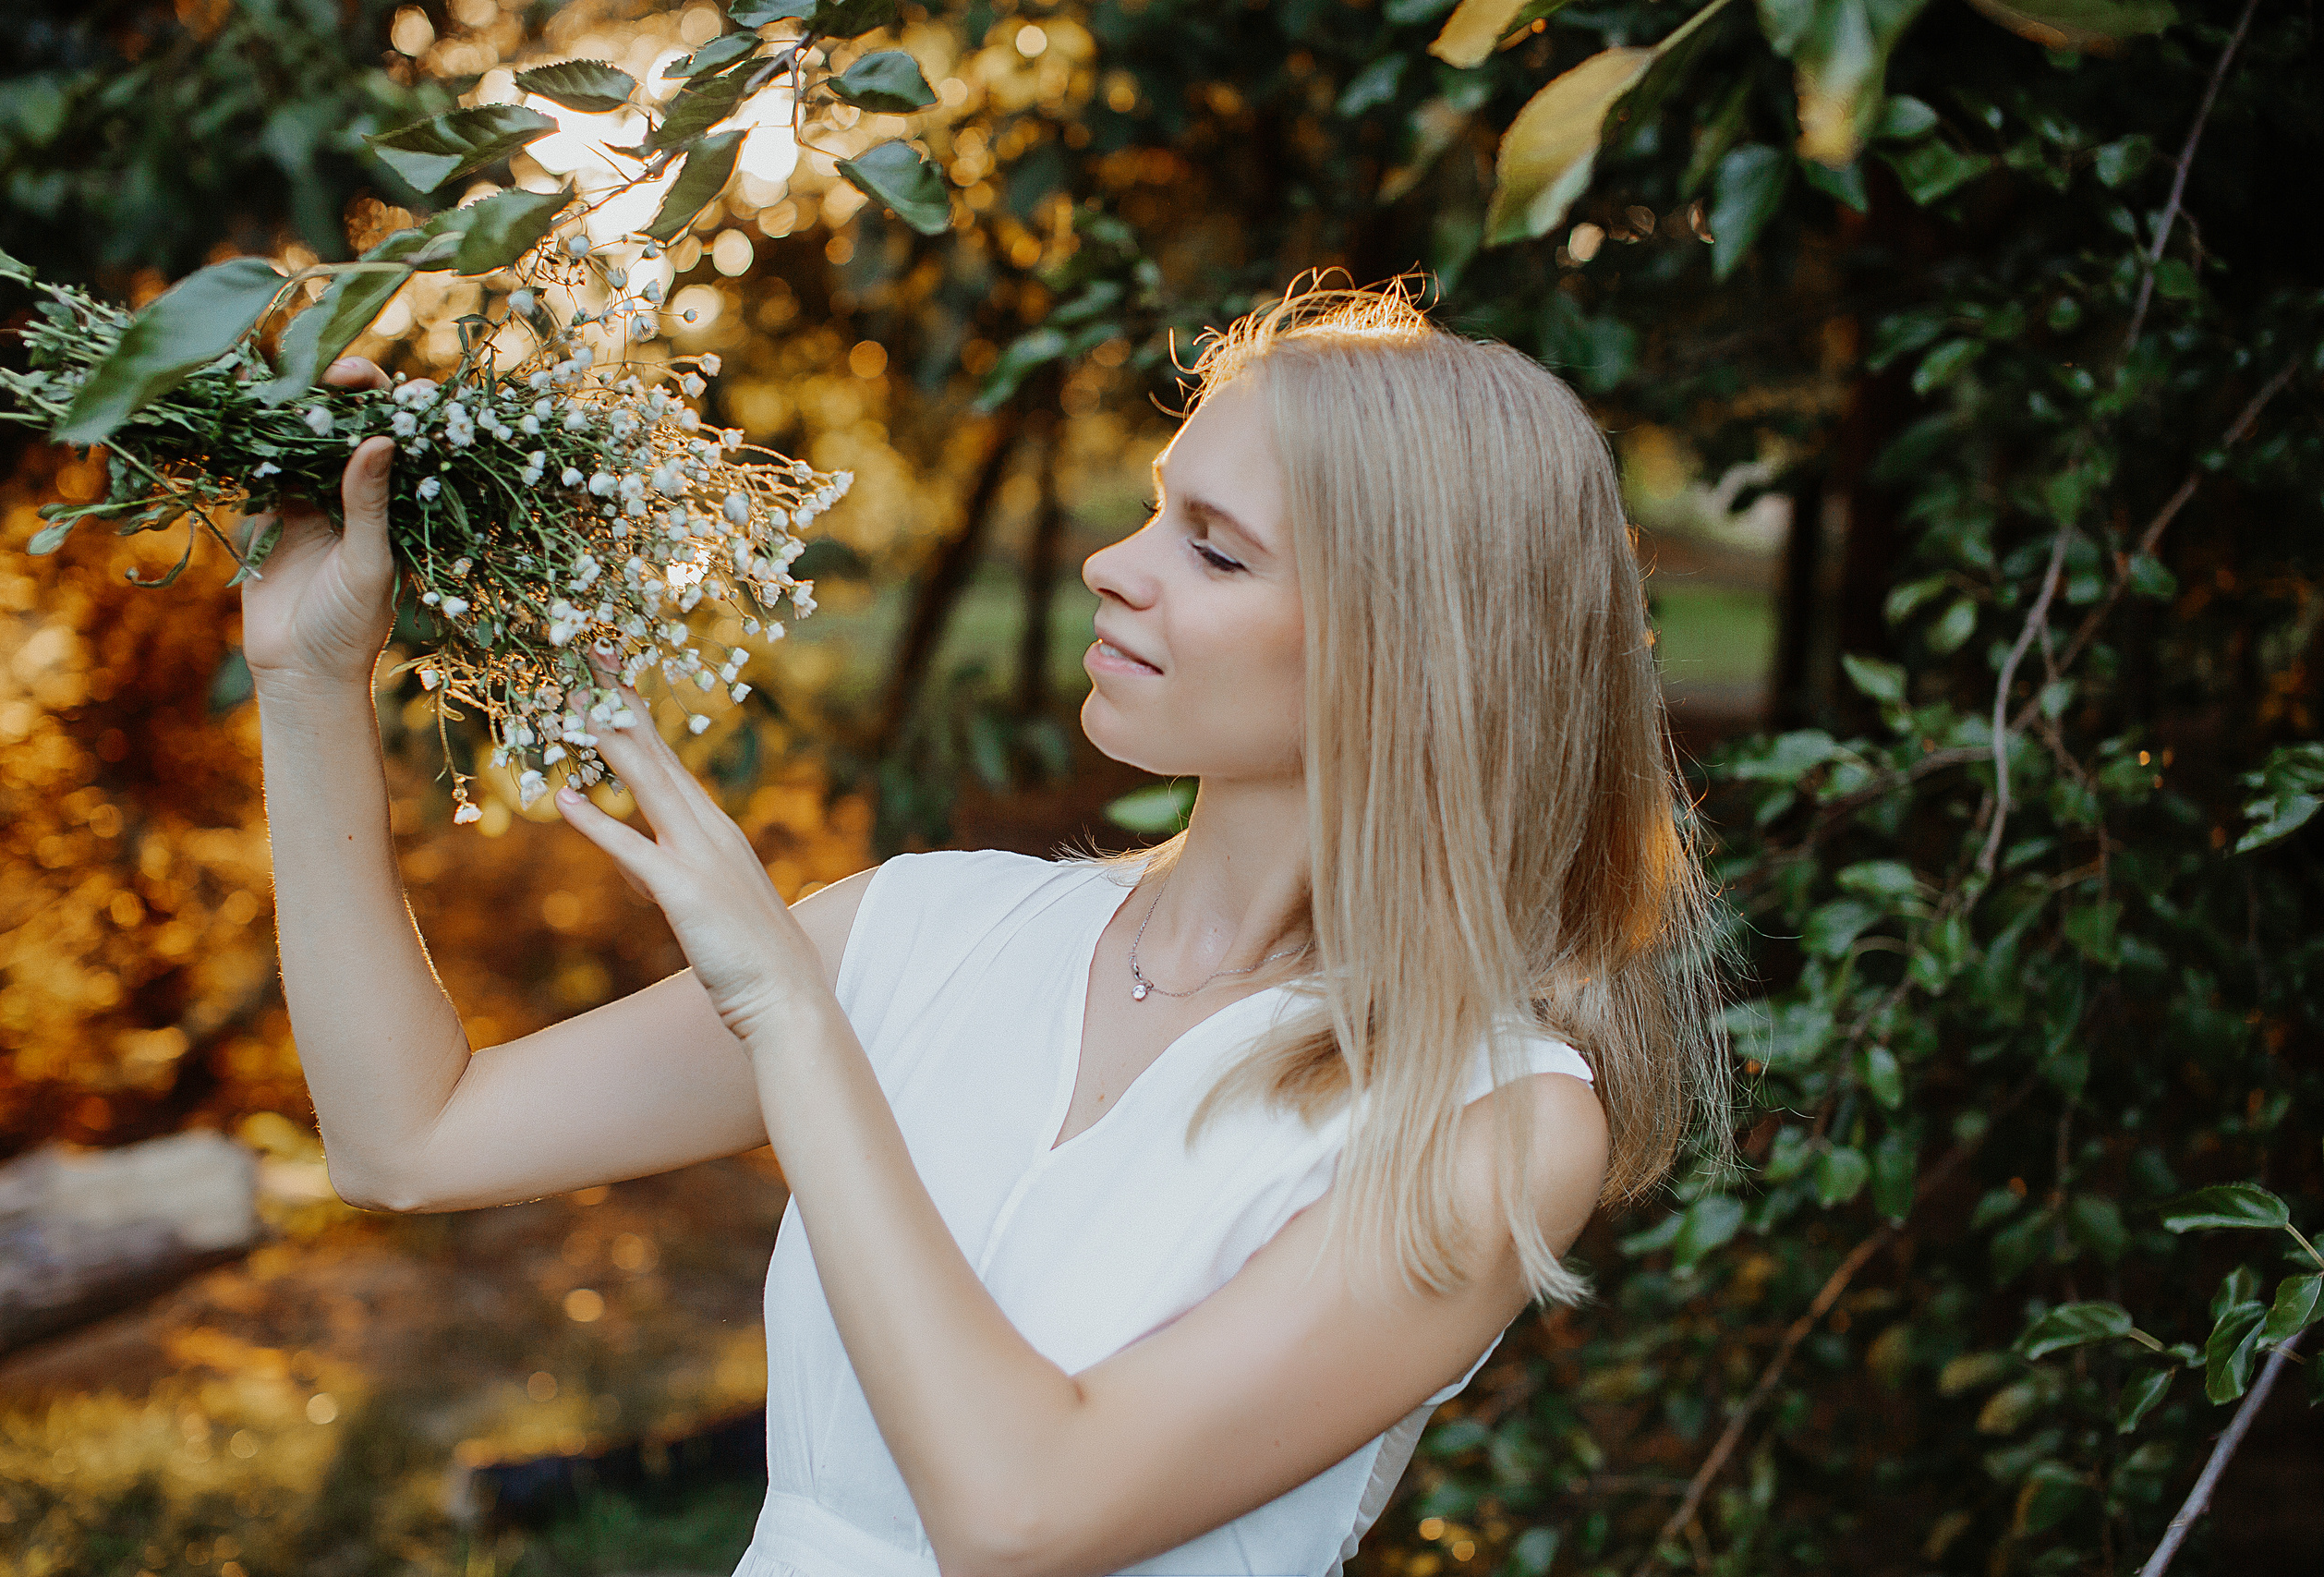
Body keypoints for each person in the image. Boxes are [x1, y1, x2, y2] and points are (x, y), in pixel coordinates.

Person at [242, 283, 1725, 1577]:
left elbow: (1021, 1521)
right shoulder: (927, 930)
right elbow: (408, 1140)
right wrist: (307, 687)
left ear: (1407, 645)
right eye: (1156, 506)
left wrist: (789, 1017)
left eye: (1215, 551)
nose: (1113, 565)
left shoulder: (1488, 1118)